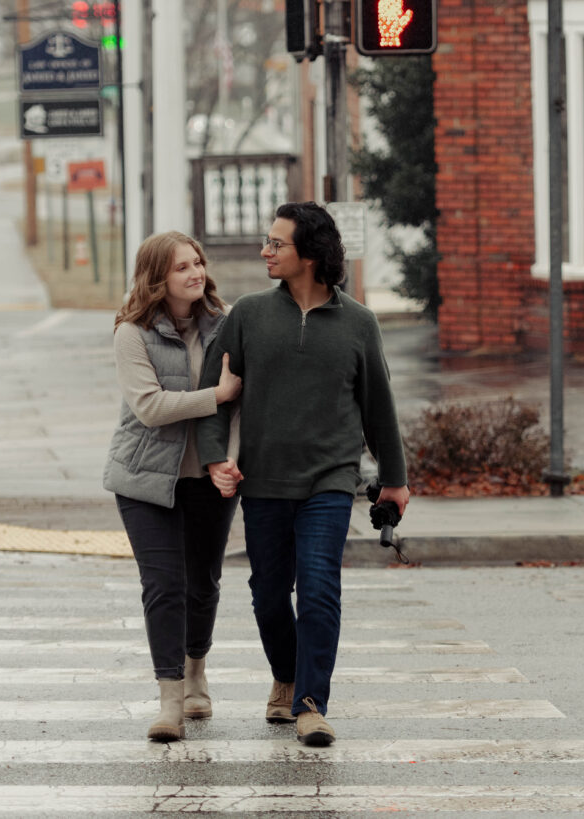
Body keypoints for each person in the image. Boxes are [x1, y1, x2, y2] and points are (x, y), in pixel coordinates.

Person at [196, 201, 410, 746]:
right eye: (267, 242)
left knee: (318, 589)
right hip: (263, 479)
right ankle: (286, 678)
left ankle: (312, 703)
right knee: (269, 594)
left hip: (330, 479)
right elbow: (214, 394)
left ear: (310, 255)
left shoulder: (359, 324)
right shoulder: (247, 314)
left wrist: (394, 477)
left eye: (276, 243)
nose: (265, 251)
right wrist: (216, 456)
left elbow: (378, 404)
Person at [103, 231, 242, 742]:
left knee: (203, 583)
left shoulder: (226, 325)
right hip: (144, 479)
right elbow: (150, 406)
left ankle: (196, 674)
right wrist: (215, 394)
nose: (195, 272)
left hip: (208, 477)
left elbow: (241, 406)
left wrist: (228, 460)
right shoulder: (131, 332)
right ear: (157, 277)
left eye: (198, 262)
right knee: (163, 586)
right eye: (182, 266)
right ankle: (169, 701)